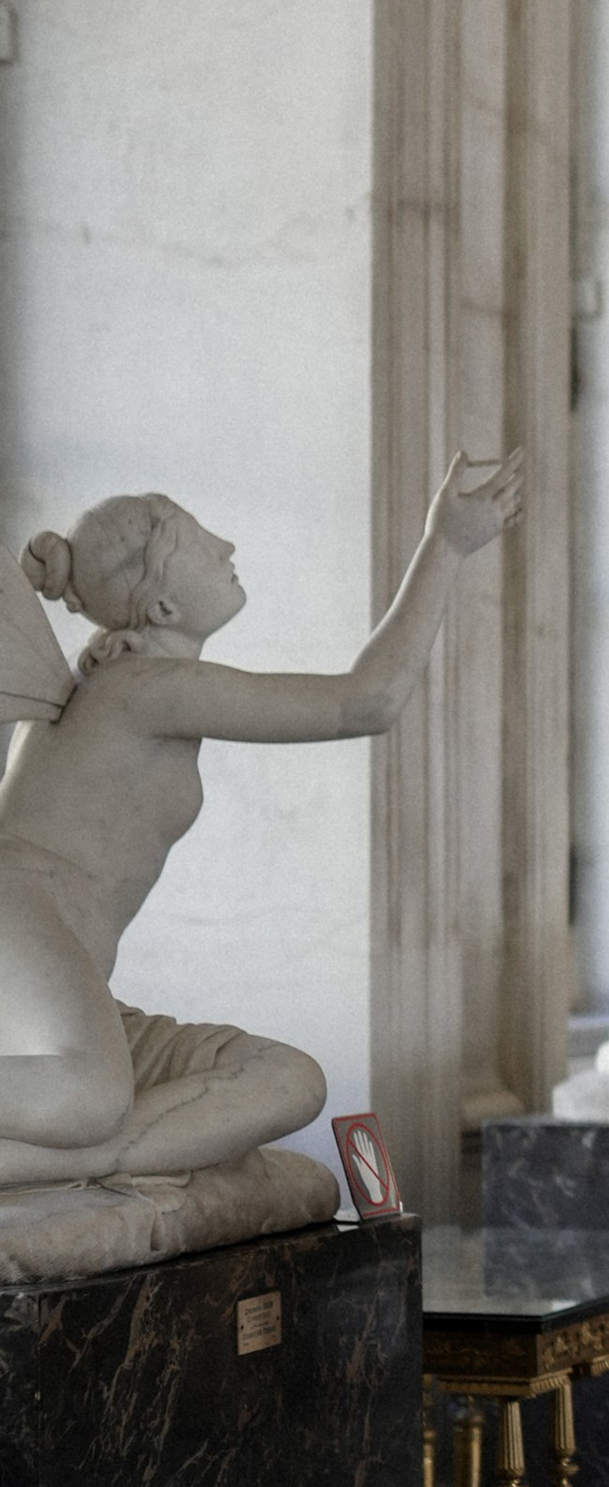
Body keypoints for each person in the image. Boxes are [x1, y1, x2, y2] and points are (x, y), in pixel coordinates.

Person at [0, 457, 522, 1192]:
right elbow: (367, 702)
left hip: (62, 978)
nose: (227, 547)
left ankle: (73, 1159)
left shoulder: (131, 680)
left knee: (289, 1079)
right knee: (91, 1097)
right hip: (19, 925)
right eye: (200, 541)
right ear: (164, 607)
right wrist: (445, 545)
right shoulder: (143, 686)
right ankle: (88, 1144)